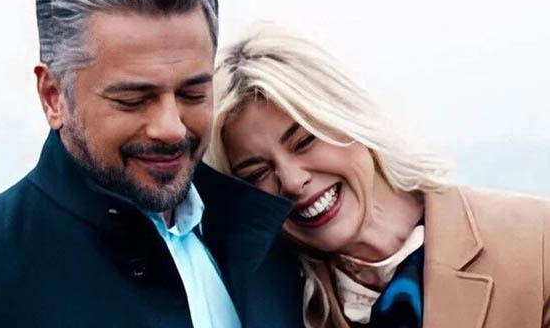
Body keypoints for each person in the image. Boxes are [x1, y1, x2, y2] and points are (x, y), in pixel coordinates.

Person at [0, 0, 303, 328]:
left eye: (193, 94)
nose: (171, 128)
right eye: (133, 100)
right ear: (53, 97)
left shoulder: (272, 235)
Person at [206, 23, 550, 328]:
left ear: (350, 116)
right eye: (257, 173)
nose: (293, 181)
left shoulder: (536, 241)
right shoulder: (271, 306)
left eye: (304, 141)